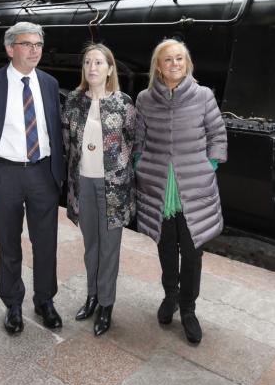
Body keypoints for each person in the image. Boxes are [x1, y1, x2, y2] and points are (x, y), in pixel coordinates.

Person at [0, 21, 64, 335]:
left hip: (42, 174)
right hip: (4, 174)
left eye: (38, 44)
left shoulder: (49, 83)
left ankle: (45, 300)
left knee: (46, 243)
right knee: (9, 245)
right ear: (10, 48)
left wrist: (57, 174)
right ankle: (13, 305)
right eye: (26, 44)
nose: (34, 50)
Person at [134, 38, 227, 345]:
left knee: (192, 252)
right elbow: (140, 141)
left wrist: (208, 166)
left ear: (187, 63)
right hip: (160, 188)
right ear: (158, 67)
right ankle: (170, 297)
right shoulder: (145, 99)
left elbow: (217, 134)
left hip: (193, 189)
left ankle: (188, 309)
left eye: (179, 59)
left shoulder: (203, 96)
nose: (174, 64)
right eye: (168, 60)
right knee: (165, 247)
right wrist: (140, 165)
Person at [62, 43, 135, 336]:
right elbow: (67, 142)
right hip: (83, 184)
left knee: (110, 249)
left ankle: (106, 304)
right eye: (88, 63)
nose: (92, 68)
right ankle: (91, 296)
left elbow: (134, 143)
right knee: (91, 246)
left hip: (113, 189)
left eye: (99, 63)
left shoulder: (123, 103)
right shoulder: (73, 101)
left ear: (110, 69)